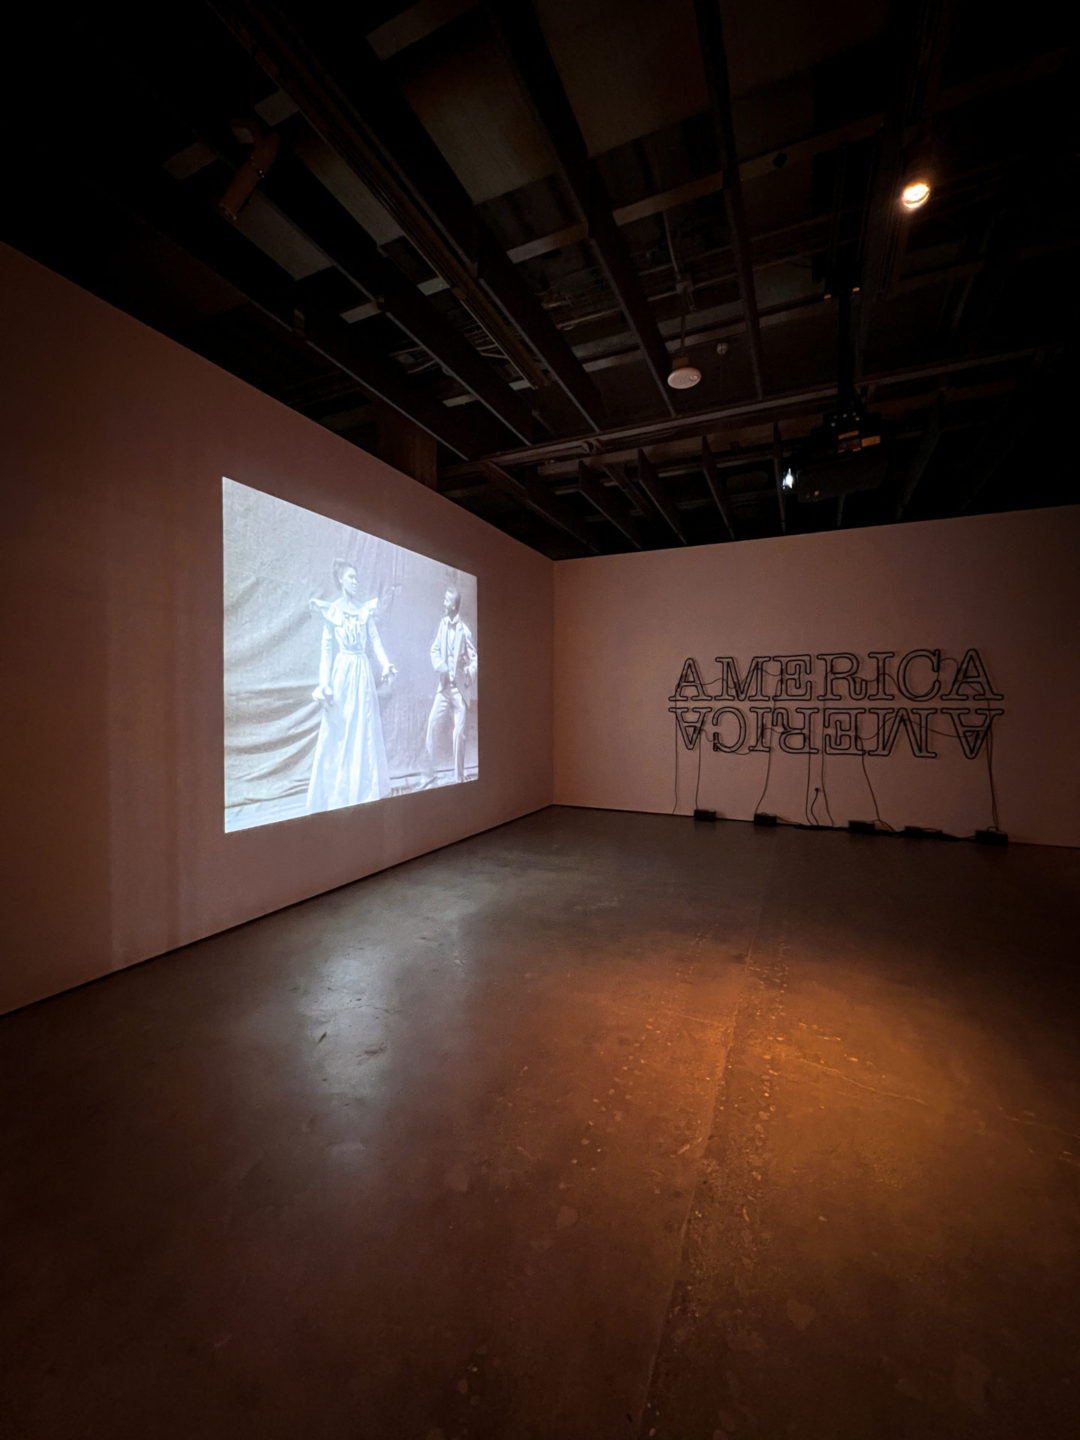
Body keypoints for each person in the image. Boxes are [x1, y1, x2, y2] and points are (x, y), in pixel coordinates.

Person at [306, 560, 396, 812]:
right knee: (340, 729)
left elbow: (375, 642)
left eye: (357, 578)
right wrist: (324, 683)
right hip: (342, 673)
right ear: (341, 581)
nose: (356, 582)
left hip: (362, 672)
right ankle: (339, 792)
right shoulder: (332, 610)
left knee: (363, 727)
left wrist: (386, 665)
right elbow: (326, 650)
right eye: (351, 578)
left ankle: (363, 790)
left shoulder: (364, 610)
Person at [423, 586, 477, 787]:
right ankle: (428, 774)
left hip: (459, 691)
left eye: (446, 601)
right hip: (444, 689)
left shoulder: (465, 631)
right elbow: (434, 649)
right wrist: (440, 666)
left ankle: (459, 778)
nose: (443, 603)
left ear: (453, 605)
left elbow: (474, 660)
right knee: (432, 724)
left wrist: (468, 676)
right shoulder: (443, 625)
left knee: (459, 734)